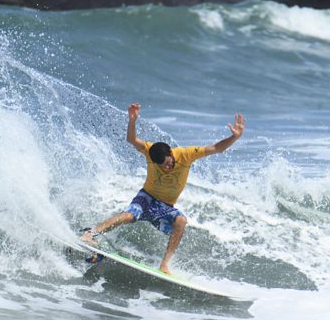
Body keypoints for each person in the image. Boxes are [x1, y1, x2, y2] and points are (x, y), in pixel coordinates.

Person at [81, 102, 245, 274]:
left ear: (170, 153)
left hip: (165, 206)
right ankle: (90, 234)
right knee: (129, 215)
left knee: (180, 221)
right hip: (146, 197)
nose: (167, 168)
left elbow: (216, 148)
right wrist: (132, 121)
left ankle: (164, 264)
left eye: (168, 163)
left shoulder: (186, 154)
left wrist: (234, 137)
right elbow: (131, 140)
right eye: (162, 166)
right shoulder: (150, 151)